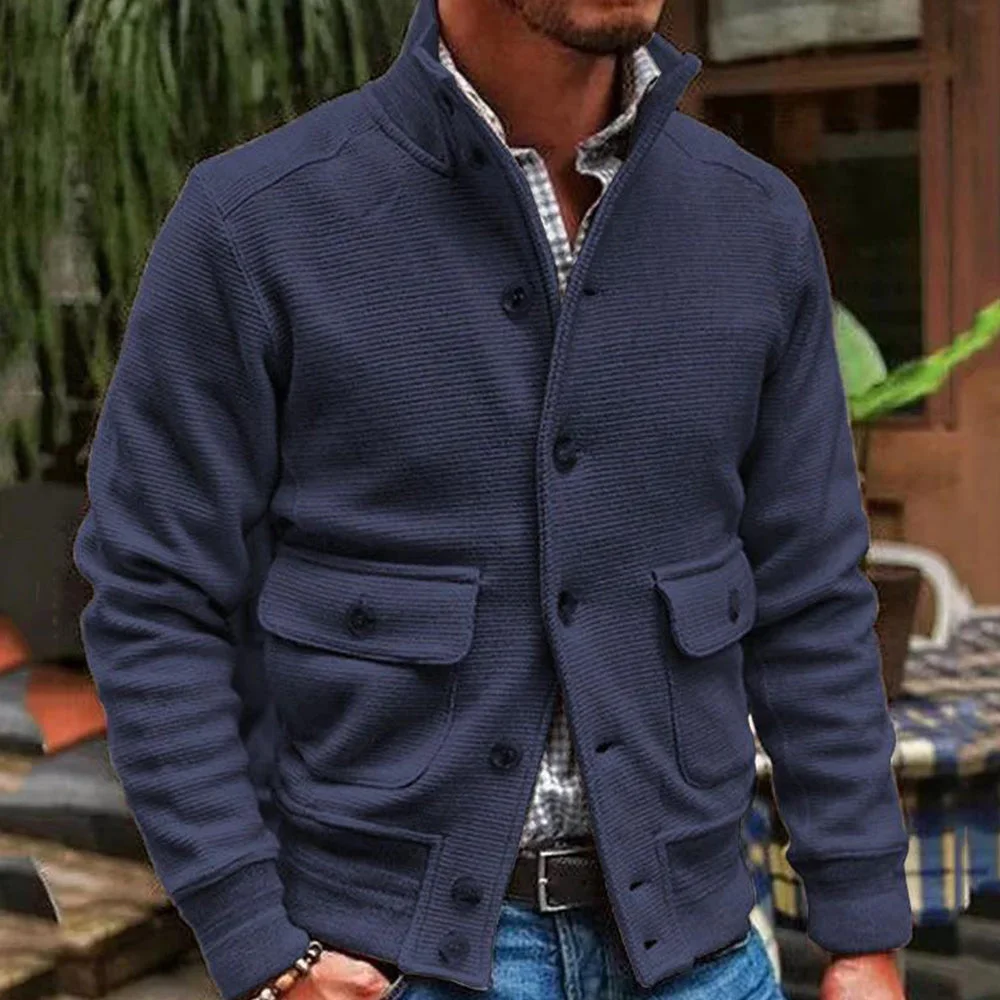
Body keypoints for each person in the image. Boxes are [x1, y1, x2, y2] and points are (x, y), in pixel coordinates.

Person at [72, 0, 914, 998]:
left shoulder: (755, 222)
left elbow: (809, 594)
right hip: (390, 964)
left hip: (702, 954)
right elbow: (153, 596)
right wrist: (254, 934)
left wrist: (863, 932)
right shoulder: (257, 221)